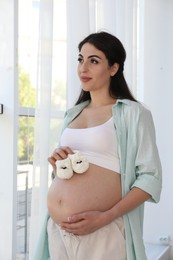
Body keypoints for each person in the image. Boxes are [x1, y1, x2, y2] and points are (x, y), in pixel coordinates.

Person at [33, 31, 162, 260]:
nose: (83, 68)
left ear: (113, 68)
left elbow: (150, 177)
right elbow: (77, 172)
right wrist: (58, 163)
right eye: (80, 59)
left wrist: (106, 217)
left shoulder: (133, 113)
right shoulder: (72, 114)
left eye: (94, 61)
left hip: (103, 229)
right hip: (58, 230)